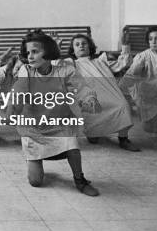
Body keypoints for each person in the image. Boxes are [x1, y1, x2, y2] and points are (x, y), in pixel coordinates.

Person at [10, 31, 101, 196]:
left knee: (72, 147)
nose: (30, 56)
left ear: (48, 52)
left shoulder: (65, 70)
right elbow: (19, 91)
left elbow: (81, 87)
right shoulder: (26, 71)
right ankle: (37, 161)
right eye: (28, 52)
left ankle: (80, 180)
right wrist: (13, 108)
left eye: (35, 52)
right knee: (35, 182)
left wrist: (88, 98)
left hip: (60, 123)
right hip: (33, 127)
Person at [63, 34, 140, 151]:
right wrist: (55, 50)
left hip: (109, 94)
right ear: (73, 50)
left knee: (123, 105)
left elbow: (123, 63)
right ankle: (94, 133)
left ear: (90, 46)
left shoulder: (101, 61)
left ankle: (123, 139)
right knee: (92, 112)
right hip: (89, 95)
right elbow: (55, 65)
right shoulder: (72, 64)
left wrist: (125, 46)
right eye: (77, 45)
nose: (81, 46)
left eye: (84, 43)